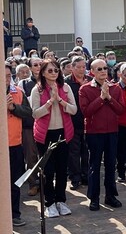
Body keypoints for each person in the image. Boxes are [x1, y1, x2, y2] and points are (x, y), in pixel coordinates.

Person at [31, 59, 77, 218]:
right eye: (49, 70)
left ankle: (61, 200)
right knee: (48, 171)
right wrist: (50, 101)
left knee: (62, 169)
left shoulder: (65, 87)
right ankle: (49, 203)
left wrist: (60, 100)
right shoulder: (37, 90)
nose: (53, 73)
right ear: (43, 72)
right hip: (45, 135)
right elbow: (35, 113)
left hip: (63, 133)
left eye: (56, 70)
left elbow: (73, 110)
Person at [79, 59, 125, 211]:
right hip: (94, 133)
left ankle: (110, 196)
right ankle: (94, 198)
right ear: (92, 71)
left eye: (105, 68)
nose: (103, 71)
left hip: (112, 131)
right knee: (95, 166)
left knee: (111, 165)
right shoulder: (85, 89)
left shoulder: (116, 88)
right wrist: (101, 97)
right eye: (99, 69)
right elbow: (86, 111)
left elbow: (121, 109)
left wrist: (109, 97)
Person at [5, 61, 32, 227]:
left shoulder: (18, 92)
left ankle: (15, 214)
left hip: (15, 145)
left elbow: (28, 114)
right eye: (3, 77)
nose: (6, 80)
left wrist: (13, 107)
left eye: (8, 76)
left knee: (15, 182)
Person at [64, 56, 92, 190]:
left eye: (83, 67)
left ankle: (86, 176)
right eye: (78, 67)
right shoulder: (66, 83)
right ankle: (75, 178)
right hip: (72, 122)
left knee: (86, 151)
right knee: (73, 152)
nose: (82, 70)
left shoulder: (90, 81)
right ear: (72, 68)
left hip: (89, 122)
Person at [18, 56, 43, 197]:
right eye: (35, 65)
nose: (38, 67)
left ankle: (46, 181)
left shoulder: (49, 82)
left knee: (45, 154)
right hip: (29, 125)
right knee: (31, 156)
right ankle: (34, 183)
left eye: (40, 64)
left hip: (46, 124)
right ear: (30, 68)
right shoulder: (24, 84)